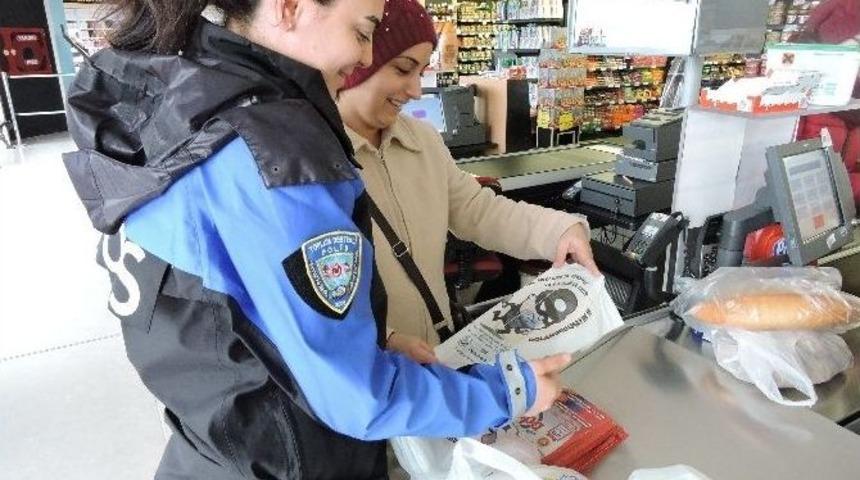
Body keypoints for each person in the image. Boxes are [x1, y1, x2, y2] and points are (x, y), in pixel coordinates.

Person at [62, 0, 570, 478]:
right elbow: (359, 400)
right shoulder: (278, 154)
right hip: (292, 457)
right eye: (363, 31)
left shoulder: (181, 114)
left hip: (215, 443)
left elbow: (224, 302)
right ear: (291, 8)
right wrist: (509, 390)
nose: (367, 56)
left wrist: (362, 341)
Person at [336, 0, 598, 362]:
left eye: (421, 72)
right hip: (372, 369)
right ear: (360, 63)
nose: (415, 90)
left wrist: (561, 229)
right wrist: (386, 338)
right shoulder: (317, 158)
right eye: (402, 69)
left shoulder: (422, 141)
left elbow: (478, 210)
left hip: (439, 353)